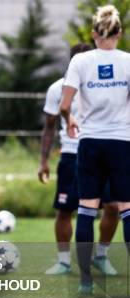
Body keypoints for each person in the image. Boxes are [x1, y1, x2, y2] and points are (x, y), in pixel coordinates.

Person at [60, 5, 130, 294]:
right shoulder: (128, 61)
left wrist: (71, 119)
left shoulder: (81, 61)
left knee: (87, 210)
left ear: (93, 33)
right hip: (122, 142)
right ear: (119, 33)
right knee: (126, 209)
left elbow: (65, 106)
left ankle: (86, 281)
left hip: (89, 143)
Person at [39, 43, 118, 276]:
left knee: (112, 207)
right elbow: (49, 128)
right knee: (65, 210)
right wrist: (43, 161)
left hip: (102, 154)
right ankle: (63, 262)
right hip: (72, 156)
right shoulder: (58, 89)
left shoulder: (105, 86)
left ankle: (101, 256)